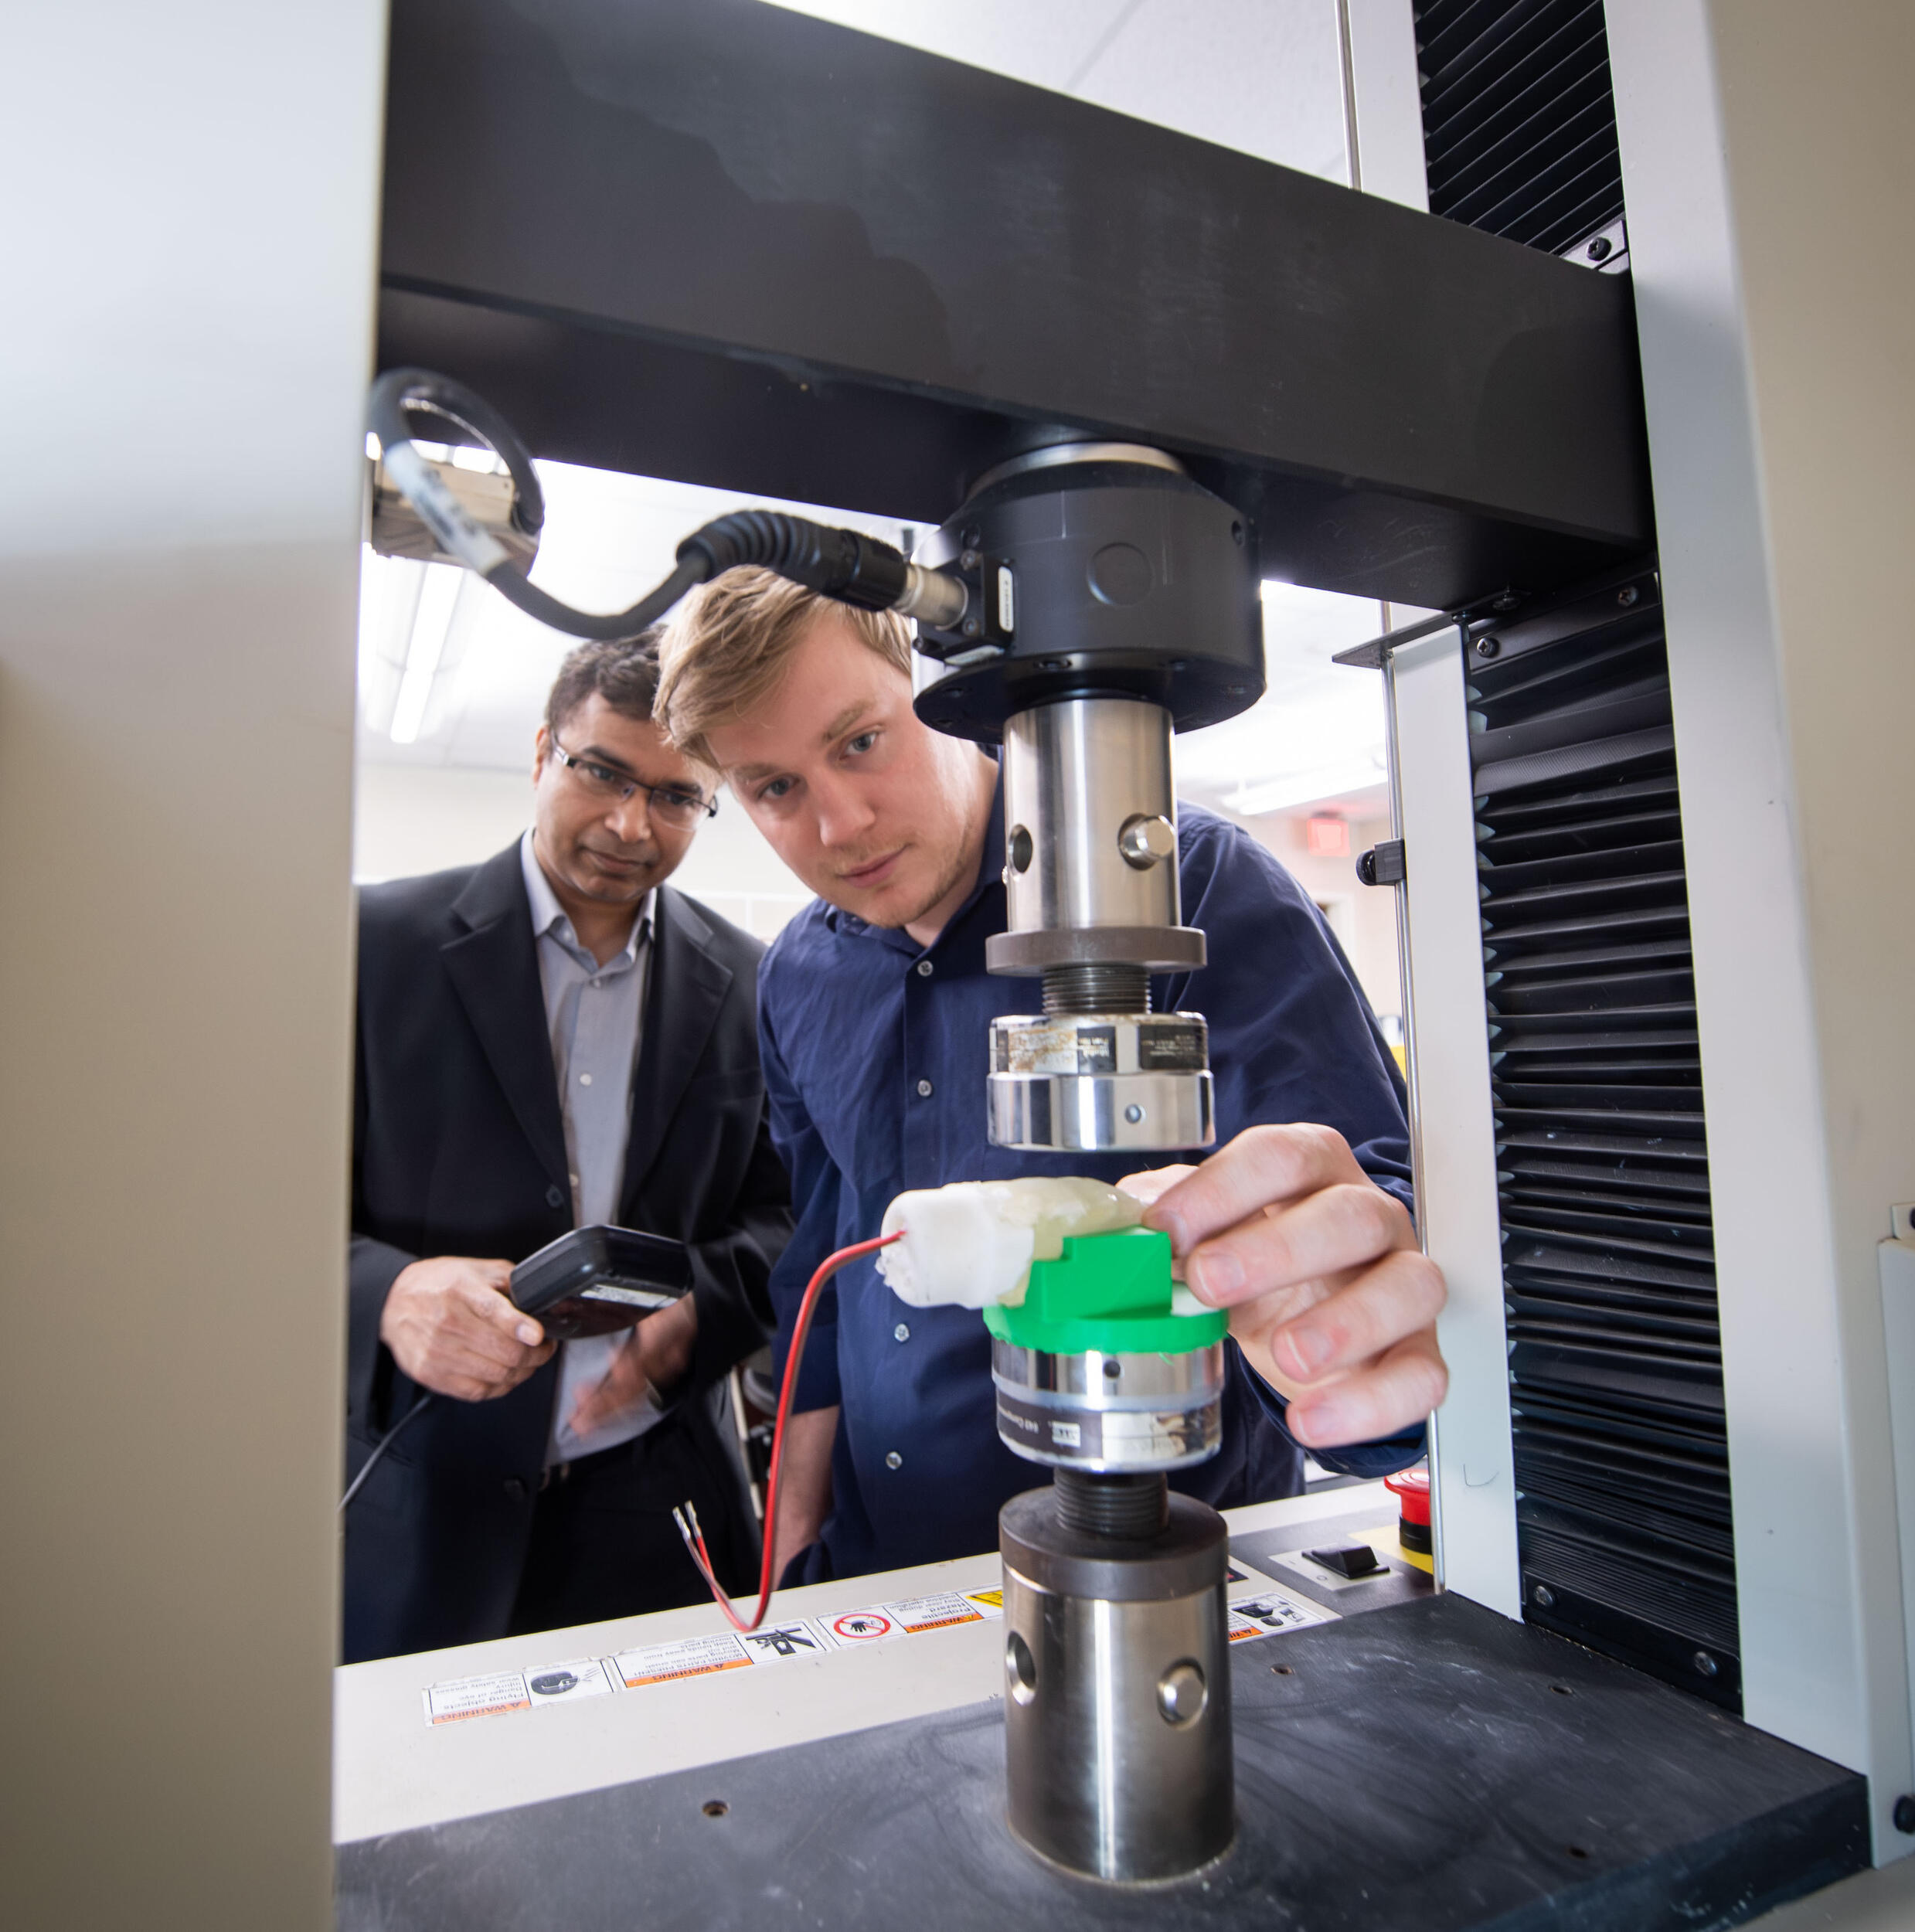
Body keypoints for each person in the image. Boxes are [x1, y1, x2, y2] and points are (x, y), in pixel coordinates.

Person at [655, 570, 1447, 1584]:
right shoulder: (796, 975)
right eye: (774, 787)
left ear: (943, 691)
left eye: (858, 742)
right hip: (882, 1565)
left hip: (1164, 1565)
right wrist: (795, 1533)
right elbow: (823, 1254)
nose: (840, 822)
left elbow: (1363, 1211)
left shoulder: (1188, 883)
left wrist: (1347, 1331)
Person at [343, 634, 790, 1663]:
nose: (631, 826)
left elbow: (786, 1212)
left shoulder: (756, 983)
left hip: (656, 1510)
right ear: (544, 749)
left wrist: (695, 1313)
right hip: (417, 1507)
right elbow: (249, 1206)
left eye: (677, 797)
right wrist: (388, 1295)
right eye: (603, 773)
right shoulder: (371, 947)